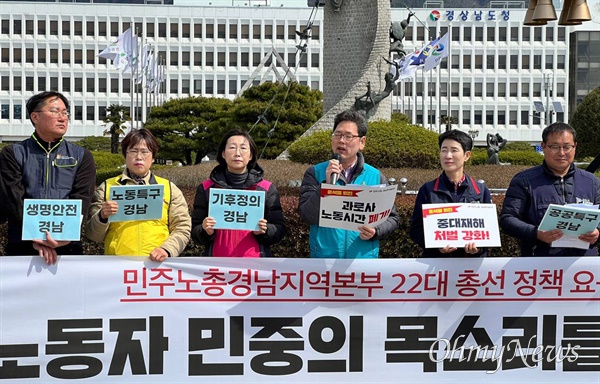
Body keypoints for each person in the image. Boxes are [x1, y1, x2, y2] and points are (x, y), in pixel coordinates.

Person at [0, 91, 96, 264]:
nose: (63, 117)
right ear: (35, 117)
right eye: (55, 111)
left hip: (68, 246)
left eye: (65, 112)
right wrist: (36, 238)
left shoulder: (82, 156)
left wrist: (64, 238)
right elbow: (15, 200)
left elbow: (82, 199)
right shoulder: (13, 153)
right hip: (22, 246)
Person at [299, 109, 399, 258]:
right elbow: (306, 215)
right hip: (324, 261)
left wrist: (376, 231)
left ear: (362, 142)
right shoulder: (315, 173)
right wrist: (326, 186)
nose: (341, 141)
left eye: (348, 136)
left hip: (362, 261)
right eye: (337, 135)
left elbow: (392, 218)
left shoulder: (375, 177)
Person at [85, 128, 191, 261]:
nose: (139, 157)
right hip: (118, 266)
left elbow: (182, 227)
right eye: (133, 151)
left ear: (153, 157)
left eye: (145, 152)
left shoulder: (169, 188)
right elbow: (93, 235)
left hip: (157, 265)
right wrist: (102, 216)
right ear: (125, 154)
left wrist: (167, 249)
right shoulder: (107, 187)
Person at [500, 122, 600, 256]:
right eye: (554, 147)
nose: (561, 152)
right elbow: (508, 218)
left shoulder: (592, 182)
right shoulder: (524, 181)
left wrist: (597, 231)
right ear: (543, 147)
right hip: (541, 263)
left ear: (575, 147)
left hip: (583, 265)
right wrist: (536, 233)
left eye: (567, 147)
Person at [191, 129, 286, 257]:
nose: (237, 153)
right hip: (217, 266)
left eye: (243, 148)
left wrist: (265, 230)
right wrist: (204, 230)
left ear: (251, 155)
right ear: (223, 154)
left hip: (255, 267)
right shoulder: (207, 188)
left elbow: (279, 230)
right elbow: (195, 233)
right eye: (232, 147)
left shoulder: (266, 189)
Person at [410, 129, 492, 257]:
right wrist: (436, 246)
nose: (448, 155)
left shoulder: (481, 191)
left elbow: (489, 230)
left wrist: (479, 247)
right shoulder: (427, 190)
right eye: (444, 150)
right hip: (438, 268)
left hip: (471, 269)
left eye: (454, 150)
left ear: (467, 155)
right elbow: (416, 229)